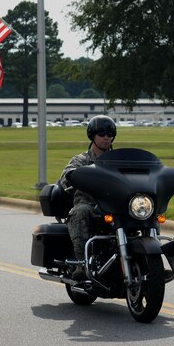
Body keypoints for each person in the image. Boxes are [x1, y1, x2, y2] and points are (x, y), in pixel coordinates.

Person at [58, 115, 116, 279]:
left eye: (110, 134)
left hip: (115, 206)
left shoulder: (118, 160)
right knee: (80, 212)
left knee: (147, 213)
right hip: (90, 205)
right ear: (93, 136)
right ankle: (81, 264)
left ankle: (152, 264)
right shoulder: (82, 159)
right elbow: (66, 177)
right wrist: (74, 177)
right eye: (102, 134)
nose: (106, 137)